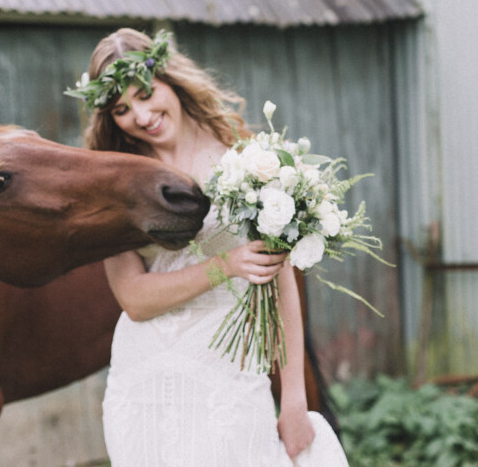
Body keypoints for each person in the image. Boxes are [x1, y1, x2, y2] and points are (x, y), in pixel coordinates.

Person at [70, 28, 349, 466]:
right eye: (122, 109)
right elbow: (134, 300)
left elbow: (282, 288)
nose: (141, 116)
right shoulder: (118, 179)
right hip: (148, 381)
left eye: (145, 94)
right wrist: (225, 266)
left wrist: (293, 396)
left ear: (169, 80)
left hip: (230, 375)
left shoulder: (245, 156)